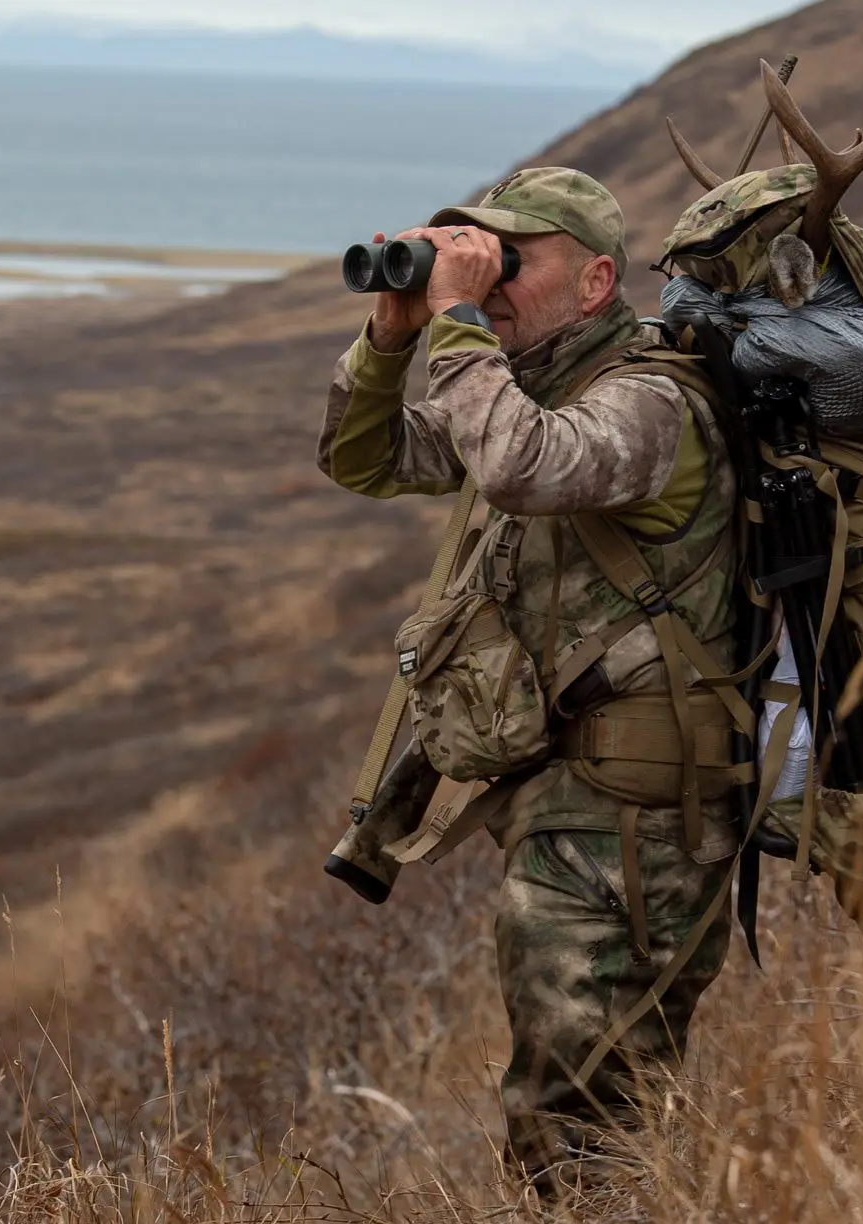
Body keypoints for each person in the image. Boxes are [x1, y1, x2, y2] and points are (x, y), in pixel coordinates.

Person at [316, 167, 743, 1189]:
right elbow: (359, 458)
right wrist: (390, 337)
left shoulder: (648, 404)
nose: (488, 278)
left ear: (595, 281)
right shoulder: (525, 392)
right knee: (571, 1106)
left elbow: (520, 468)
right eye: (473, 254)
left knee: (579, 1116)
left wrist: (457, 317)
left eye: (513, 259)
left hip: (635, 823)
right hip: (569, 808)